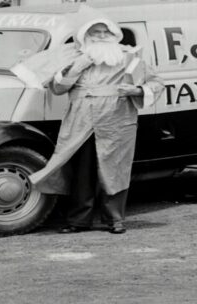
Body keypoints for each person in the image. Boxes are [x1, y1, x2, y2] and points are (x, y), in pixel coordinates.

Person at [29, 19, 163, 234]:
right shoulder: (74, 57)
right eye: (95, 32)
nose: (101, 36)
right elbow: (58, 88)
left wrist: (136, 90)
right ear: (84, 36)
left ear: (115, 35)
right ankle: (78, 221)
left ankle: (115, 219)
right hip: (81, 121)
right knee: (82, 170)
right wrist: (76, 68)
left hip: (116, 120)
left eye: (105, 32)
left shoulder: (130, 56)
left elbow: (157, 83)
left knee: (115, 169)